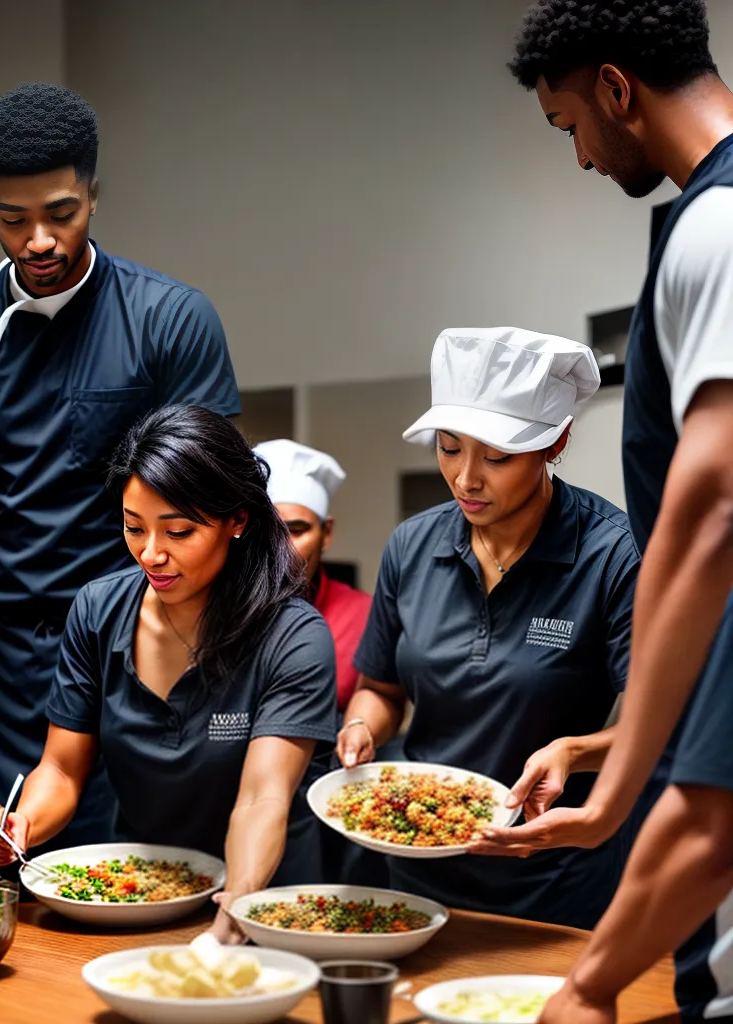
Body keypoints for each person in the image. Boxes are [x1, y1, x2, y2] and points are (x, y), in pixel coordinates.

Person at [485, 4, 733, 1020]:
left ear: (617, 89)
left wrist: (618, 782)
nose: (581, 157)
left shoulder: (717, 224)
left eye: (568, 124)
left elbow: (709, 506)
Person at [0, 83, 240, 849]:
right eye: (12, 218)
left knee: (138, 872)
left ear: (93, 195)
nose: (39, 241)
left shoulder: (169, 318)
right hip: (10, 654)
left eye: (61, 213)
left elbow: (213, 506)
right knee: (6, 863)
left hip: (143, 638)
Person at [0, 406, 337, 940]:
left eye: (179, 531)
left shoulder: (293, 636)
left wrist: (237, 907)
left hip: (268, 907)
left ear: (238, 520)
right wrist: (21, 823)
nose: (151, 553)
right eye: (133, 527)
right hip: (141, 895)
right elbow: (63, 770)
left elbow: (263, 798)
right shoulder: (98, 611)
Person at [337, 327, 639, 930]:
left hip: (550, 867)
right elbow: (383, 689)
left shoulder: (614, 554)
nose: (466, 479)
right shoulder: (413, 546)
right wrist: (361, 725)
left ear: (556, 443)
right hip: (420, 859)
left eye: (496, 458)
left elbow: (657, 725)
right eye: (449, 448)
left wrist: (575, 751)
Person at [253, 440, 372, 713]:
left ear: (326, 533)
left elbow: (382, 697)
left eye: (296, 530)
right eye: (268, 531)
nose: (280, 547)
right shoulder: (218, 609)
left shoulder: (363, 615)